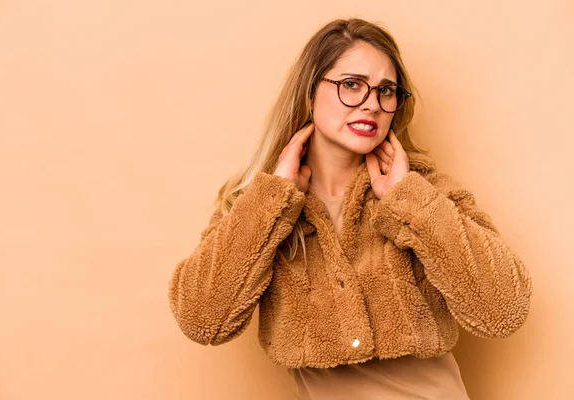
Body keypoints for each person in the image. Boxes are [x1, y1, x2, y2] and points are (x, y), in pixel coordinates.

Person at [168, 18, 533, 399]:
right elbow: (202, 320)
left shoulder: (424, 191)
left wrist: (411, 203)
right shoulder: (258, 203)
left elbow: (503, 310)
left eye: (386, 91)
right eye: (352, 85)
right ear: (309, 92)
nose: (372, 104)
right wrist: (272, 203)